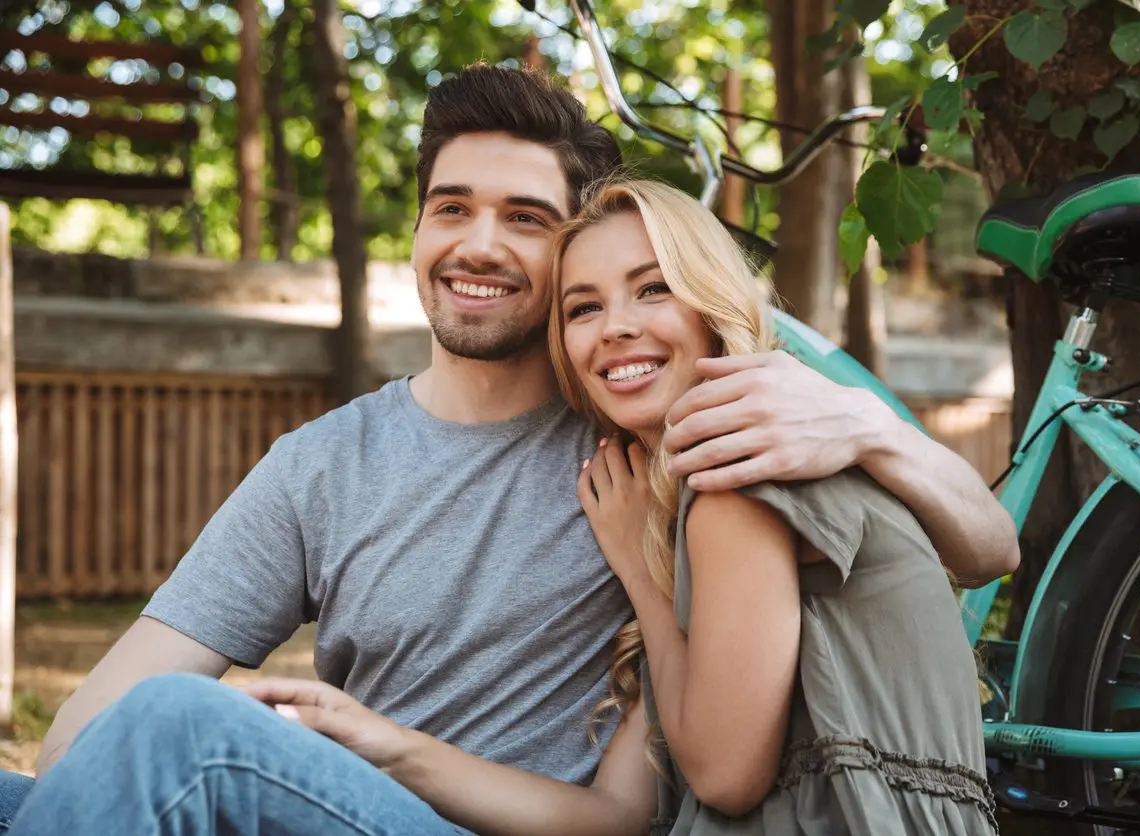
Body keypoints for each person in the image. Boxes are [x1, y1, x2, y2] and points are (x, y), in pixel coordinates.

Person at [0, 63, 1016, 833]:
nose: (480, 244)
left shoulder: (664, 444)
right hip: (334, 800)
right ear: (419, 231)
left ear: (572, 240)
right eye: (453, 209)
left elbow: (983, 544)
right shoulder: (320, 463)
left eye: (525, 219)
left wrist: (869, 419)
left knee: (184, 726)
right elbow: (80, 736)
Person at [550, 178, 999, 834]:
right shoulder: (750, 453)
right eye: (582, 308)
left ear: (712, 303)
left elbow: (726, 775)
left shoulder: (737, 468)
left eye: (654, 287)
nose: (616, 326)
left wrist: (641, 579)